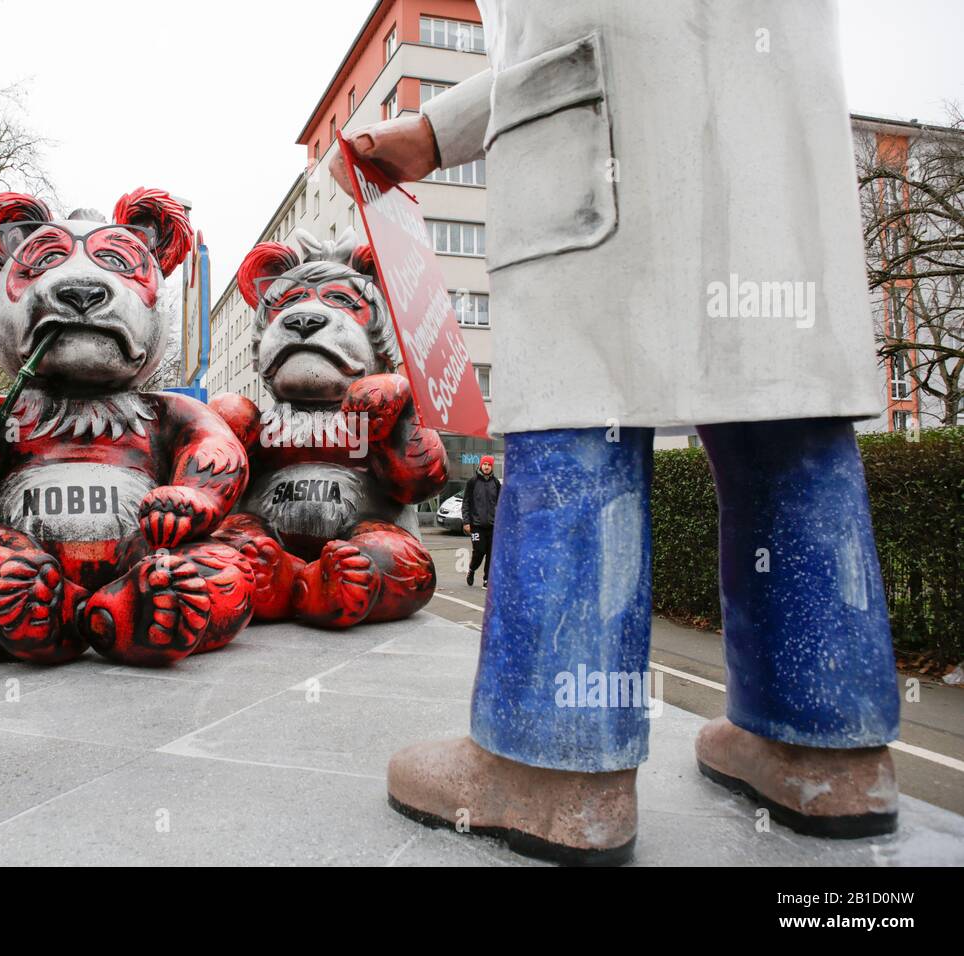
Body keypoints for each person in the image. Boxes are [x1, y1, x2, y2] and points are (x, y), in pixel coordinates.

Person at [332, 0, 899, 864]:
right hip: (784, 149)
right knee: (790, 417)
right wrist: (438, 127)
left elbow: (574, 27)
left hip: (603, 148)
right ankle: (823, 749)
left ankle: (554, 765)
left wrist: (438, 131)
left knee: (583, 408)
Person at [462, 455, 500, 588]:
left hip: (493, 526)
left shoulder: (496, 483)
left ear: (492, 467)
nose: (486, 467)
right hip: (476, 525)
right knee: (479, 551)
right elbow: (466, 502)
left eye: (489, 465)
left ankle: (486, 579)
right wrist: (466, 522)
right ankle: (472, 570)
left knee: (491, 553)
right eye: (485, 464)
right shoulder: (472, 482)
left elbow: (500, 504)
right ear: (481, 465)